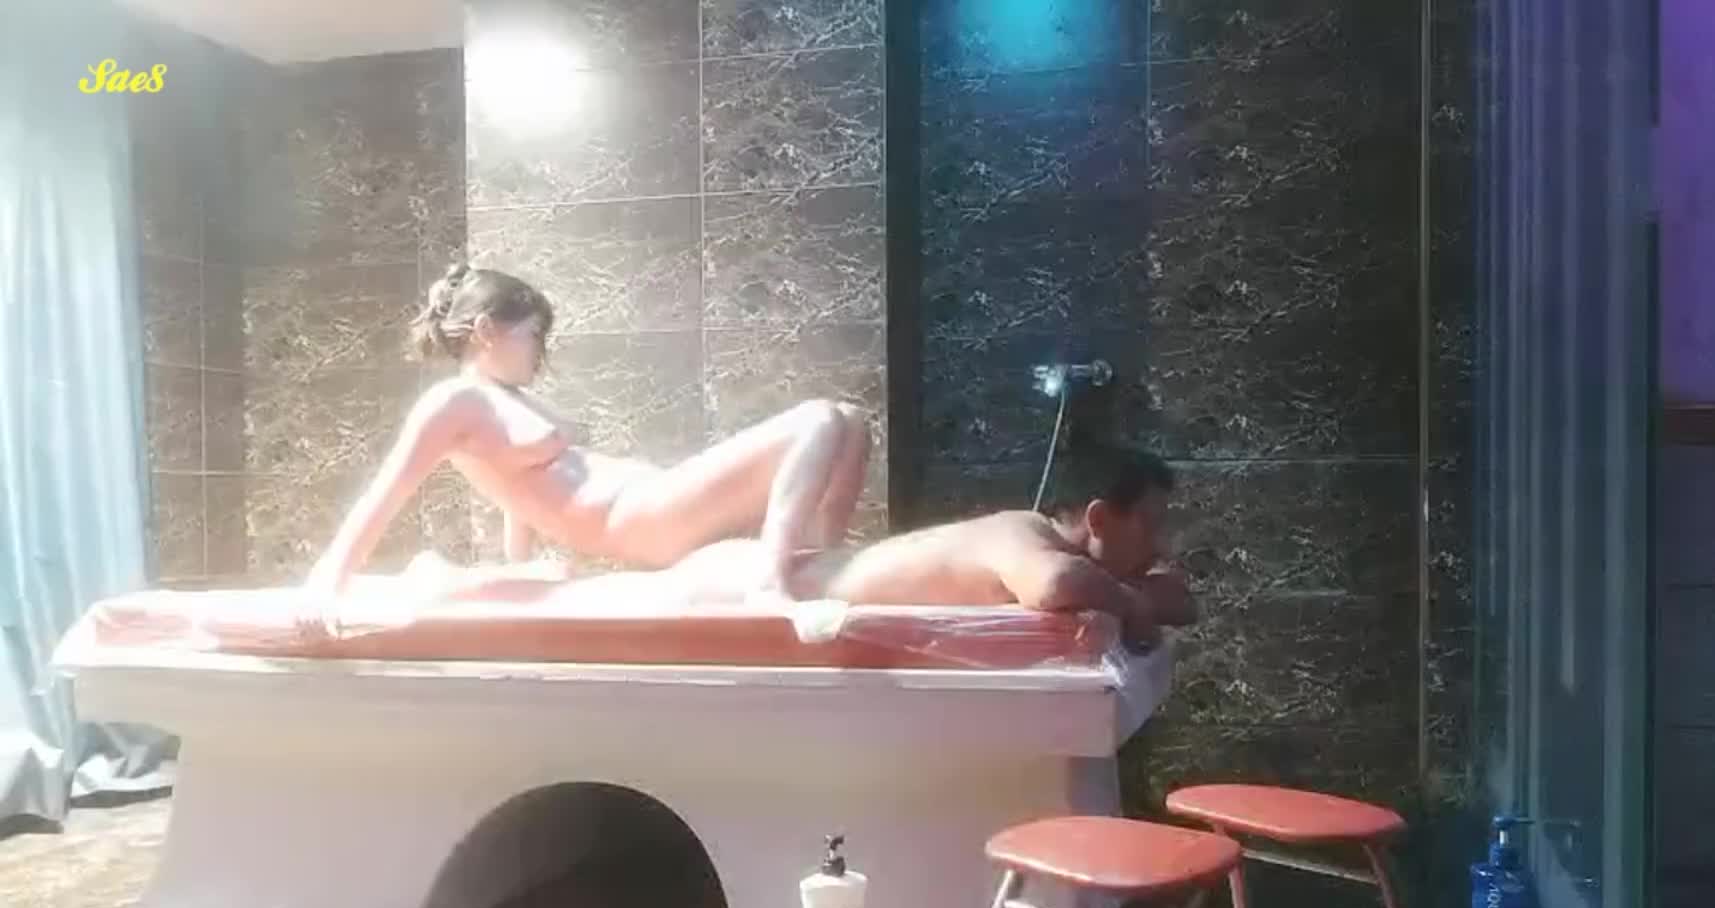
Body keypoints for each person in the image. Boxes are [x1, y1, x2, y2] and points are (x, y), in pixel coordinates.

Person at [303, 263, 871, 601]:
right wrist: (327, 583)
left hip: (651, 503)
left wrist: (519, 569)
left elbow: (516, 493)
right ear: (486, 331)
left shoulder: (505, 400)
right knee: (817, 420)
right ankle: (772, 582)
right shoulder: (453, 402)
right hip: (641, 520)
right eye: (533, 335)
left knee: (850, 421)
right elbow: (386, 493)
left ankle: (818, 560)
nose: (541, 352)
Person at [408, 443, 1198, 653]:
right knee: (580, 603)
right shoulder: (1020, 532)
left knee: (586, 598)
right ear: (1101, 517)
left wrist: (1145, 595)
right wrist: (1134, 604)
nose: (1158, 542)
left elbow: (1183, 601)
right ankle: (446, 583)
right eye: (1151, 524)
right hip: (748, 579)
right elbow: (1054, 586)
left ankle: (471, 582)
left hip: (779, 572)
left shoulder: (1050, 543)